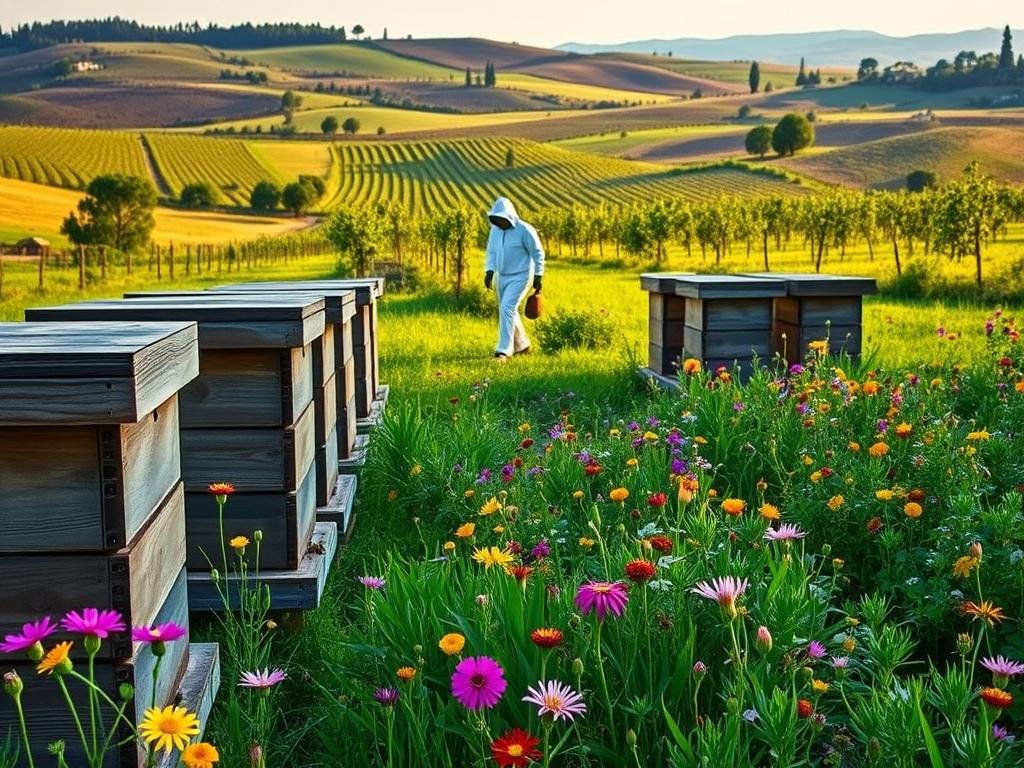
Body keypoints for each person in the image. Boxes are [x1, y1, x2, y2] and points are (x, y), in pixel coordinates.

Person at [484, 197, 545, 360]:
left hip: (521, 275)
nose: (499, 222)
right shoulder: (495, 231)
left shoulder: (525, 230)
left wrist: (539, 275)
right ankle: (522, 344)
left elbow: (538, 253)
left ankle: (504, 350)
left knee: (507, 308)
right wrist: (489, 271)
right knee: (508, 310)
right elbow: (491, 253)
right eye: (496, 219)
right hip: (501, 276)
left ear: (510, 216)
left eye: (502, 218)